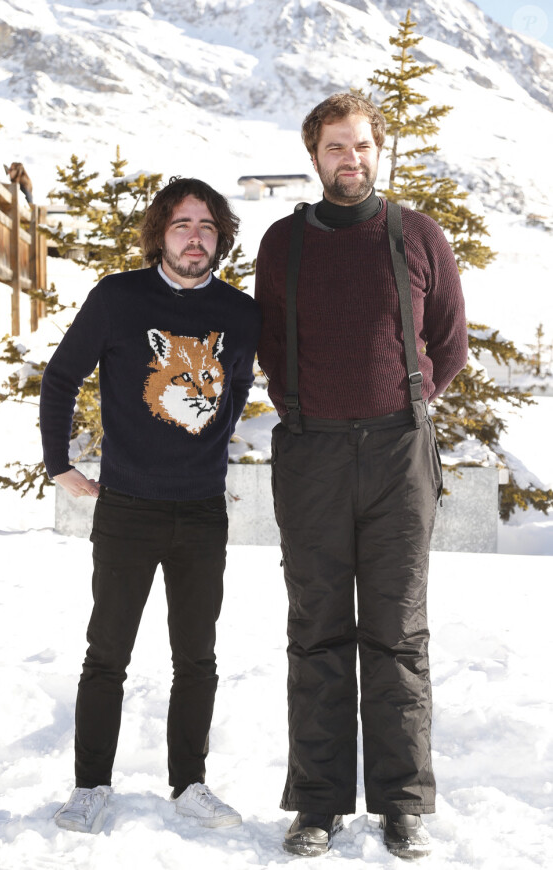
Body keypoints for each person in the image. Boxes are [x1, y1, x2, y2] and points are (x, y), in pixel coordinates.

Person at [254, 93, 468, 860]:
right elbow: (271, 343)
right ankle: (316, 804)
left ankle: (403, 804)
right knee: (316, 632)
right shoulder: (283, 244)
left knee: (398, 632)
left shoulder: (418, 235)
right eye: (338, 147)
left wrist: (398, 397)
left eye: (365, 145)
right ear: (316, 157)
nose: (353, 159)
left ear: (382, 151)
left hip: (399, 454)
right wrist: (317, 405)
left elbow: (449, 339)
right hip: (310, 454)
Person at [40, 176, 261, 834]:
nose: (194, 238)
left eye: (206, 227)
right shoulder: (119, 298)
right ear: (160, 234)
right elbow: (61, 375)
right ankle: (89, 786)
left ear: (219, 237)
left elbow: (269, 387)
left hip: (201, 511)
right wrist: (60, 464)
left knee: (197, 657)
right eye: (181, 225)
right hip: (128, 508)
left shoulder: (241, 314)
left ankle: (189, 783)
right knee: (106, 653)